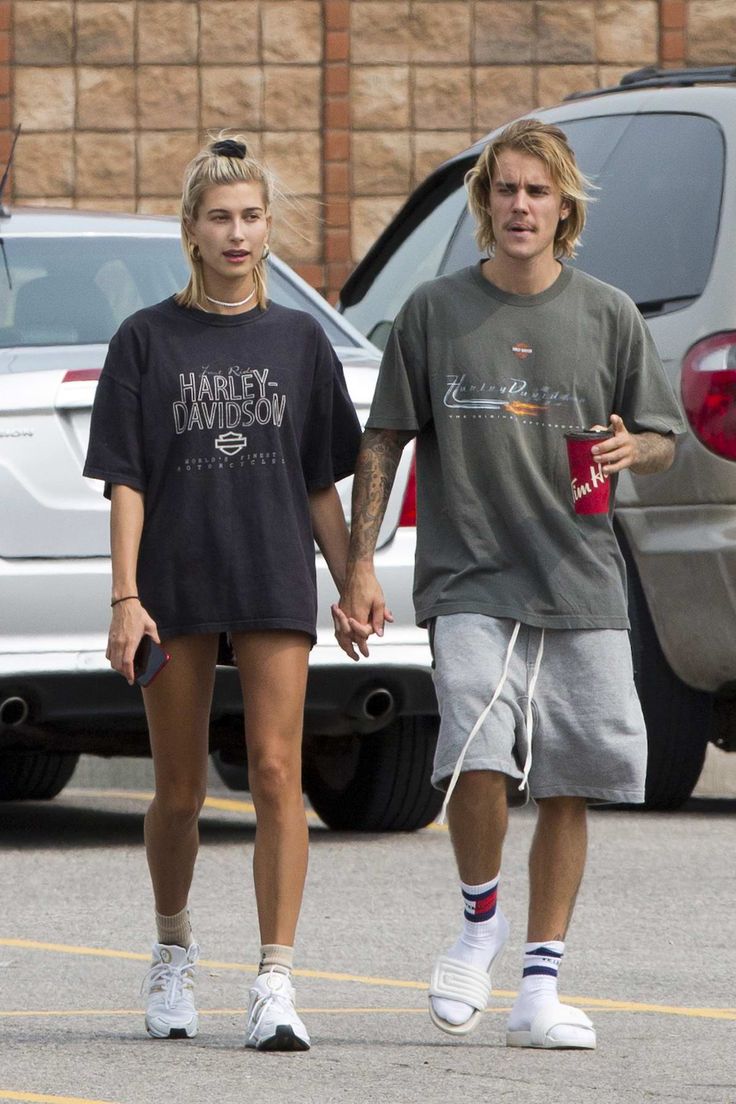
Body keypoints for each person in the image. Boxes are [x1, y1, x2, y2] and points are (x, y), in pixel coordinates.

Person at [335, 118, 686, 1050]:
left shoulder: (608, 313)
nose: (521, 205)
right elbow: (385, 437)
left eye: (538, 190)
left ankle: (539, 988)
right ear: (484, 202)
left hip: (579, 578)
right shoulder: (435, 311)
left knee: (571, 782)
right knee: (477, 754)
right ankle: (478, 920)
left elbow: (662, 438)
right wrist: (362, 562)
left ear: (564, 205)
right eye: (506, 190)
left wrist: (632, 447)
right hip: (471, 576)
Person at [84, 134, 361, 1052]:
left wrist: (351, 575)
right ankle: (171, 953)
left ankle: (275, 980)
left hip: (273, 570)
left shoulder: (298, 339)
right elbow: (128, 479)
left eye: (250, 217)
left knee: (279, 773)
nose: (237, 234)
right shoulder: (146, 338)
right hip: (175, 577)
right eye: (220, 218)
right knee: (178, 788)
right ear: (191, 231)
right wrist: (126, 597)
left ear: (267, 229)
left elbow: (322, 478)